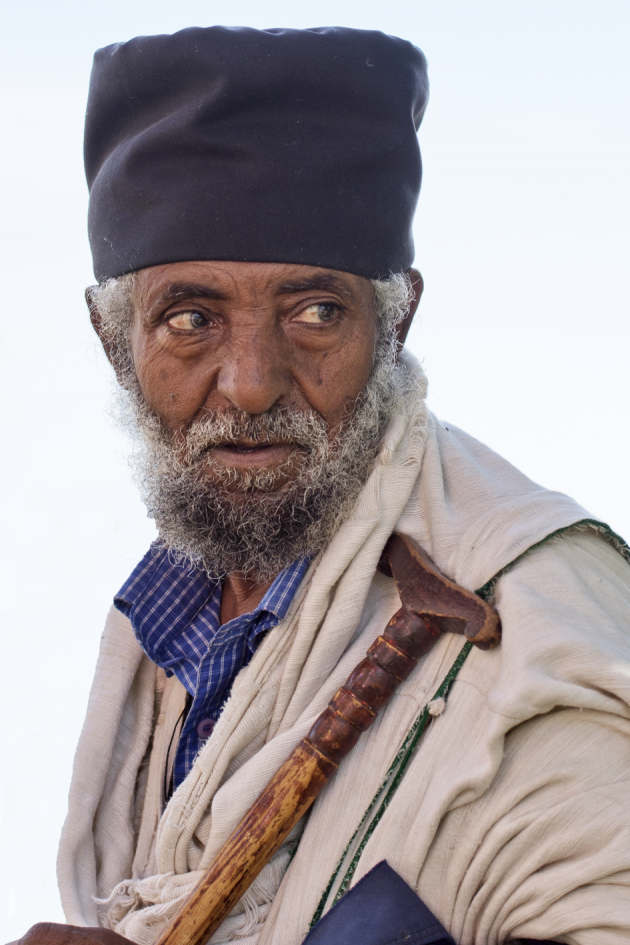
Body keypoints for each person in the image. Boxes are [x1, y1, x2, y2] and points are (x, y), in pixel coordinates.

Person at [11, 25, 630, 945]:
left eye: (314, 312)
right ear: (115, 345)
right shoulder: (177, 604)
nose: (251, 382)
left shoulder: (535, 628)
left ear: (396, 319)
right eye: (190, 318)